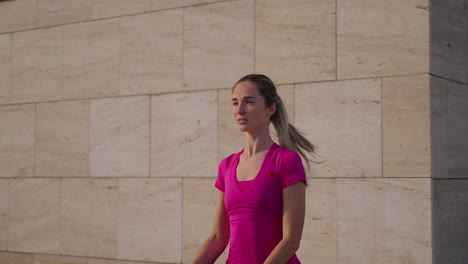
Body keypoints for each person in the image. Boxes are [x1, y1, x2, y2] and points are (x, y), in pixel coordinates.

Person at [192, 74, 318, 264]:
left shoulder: (287, 161)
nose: (240, 110)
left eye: (249, 102)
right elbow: (218, 237)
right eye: (235, 103)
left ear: (270, 109)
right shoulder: (226, 165)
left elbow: (291, 241)